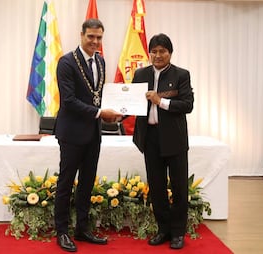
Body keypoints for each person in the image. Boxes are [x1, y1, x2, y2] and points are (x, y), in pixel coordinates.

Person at [54, 18, 122, 252]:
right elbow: (69, 101)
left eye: (99, 37)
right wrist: (101, 112)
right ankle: (62, 231)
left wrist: (117, 111)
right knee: (65, 183)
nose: (95, 41)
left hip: (93, 133)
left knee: (86, 184)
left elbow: (99, 95)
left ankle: (82, 229)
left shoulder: (101, 61)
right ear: (81, 34)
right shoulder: (66, 63)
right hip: (72, 133)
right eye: (91, 36)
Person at [132, 33, 194, 250]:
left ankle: (178, 233)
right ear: (150, 53)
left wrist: (161, 101)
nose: (158, 55)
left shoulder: (181, 75)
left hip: (174, 139)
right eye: (154, 51)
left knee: (179, 188)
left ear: (170, 53)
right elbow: (130, 103)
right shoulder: (140, 74)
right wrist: (116, 110)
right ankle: (163, 230)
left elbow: (187, 105)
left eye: (162, 51)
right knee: (157, 188)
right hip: (150, 139)